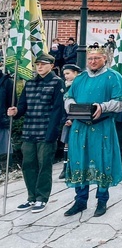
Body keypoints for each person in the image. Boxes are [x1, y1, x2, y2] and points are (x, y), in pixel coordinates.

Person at [63, 47, 122, 217]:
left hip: (102, 126)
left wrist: (103, 106)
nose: (92, 61)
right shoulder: (80, 78)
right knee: (79, 160)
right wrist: (72, 107)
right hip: (80, 127)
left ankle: (102, 200)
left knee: (102, 161)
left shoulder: (113, 77)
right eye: (90, 58)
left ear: (105, 59)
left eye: (97, 58)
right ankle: (80, 200)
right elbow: (68, 97)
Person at [6, 53, 65, 213]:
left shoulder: (57, 83)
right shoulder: (30, 83)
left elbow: (58, 111)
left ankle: (41, 198)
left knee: (44, 165)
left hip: (46, 132)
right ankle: (31, 197)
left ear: (51, 66)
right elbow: (23, 106)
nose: (39, 67)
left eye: (43, 64)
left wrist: (52, 134)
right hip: (29, 131)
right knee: (28, 165)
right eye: (37, 64)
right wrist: (16, 111)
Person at [58, 64, 81, 180]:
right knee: (66, 142)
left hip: (77, 119)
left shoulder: (79, 86)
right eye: (64, 74)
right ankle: (65, 167)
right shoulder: (64, 86)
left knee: (77, 144)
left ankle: (75, 168)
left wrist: (72, 118)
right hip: (66, 118)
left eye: (68, 73)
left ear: (76, 73)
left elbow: (79, 105)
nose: (66, 76)